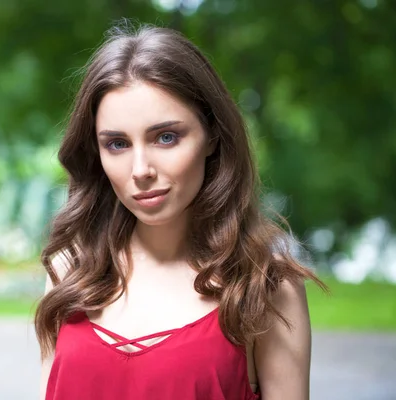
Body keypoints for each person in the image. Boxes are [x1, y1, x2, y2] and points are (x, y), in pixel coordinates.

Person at [34, 21, 326, 400]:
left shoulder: (264, 285)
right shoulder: (69, 272)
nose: (141, 170)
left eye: (166, 137)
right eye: (118, 144)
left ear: (212, 136)